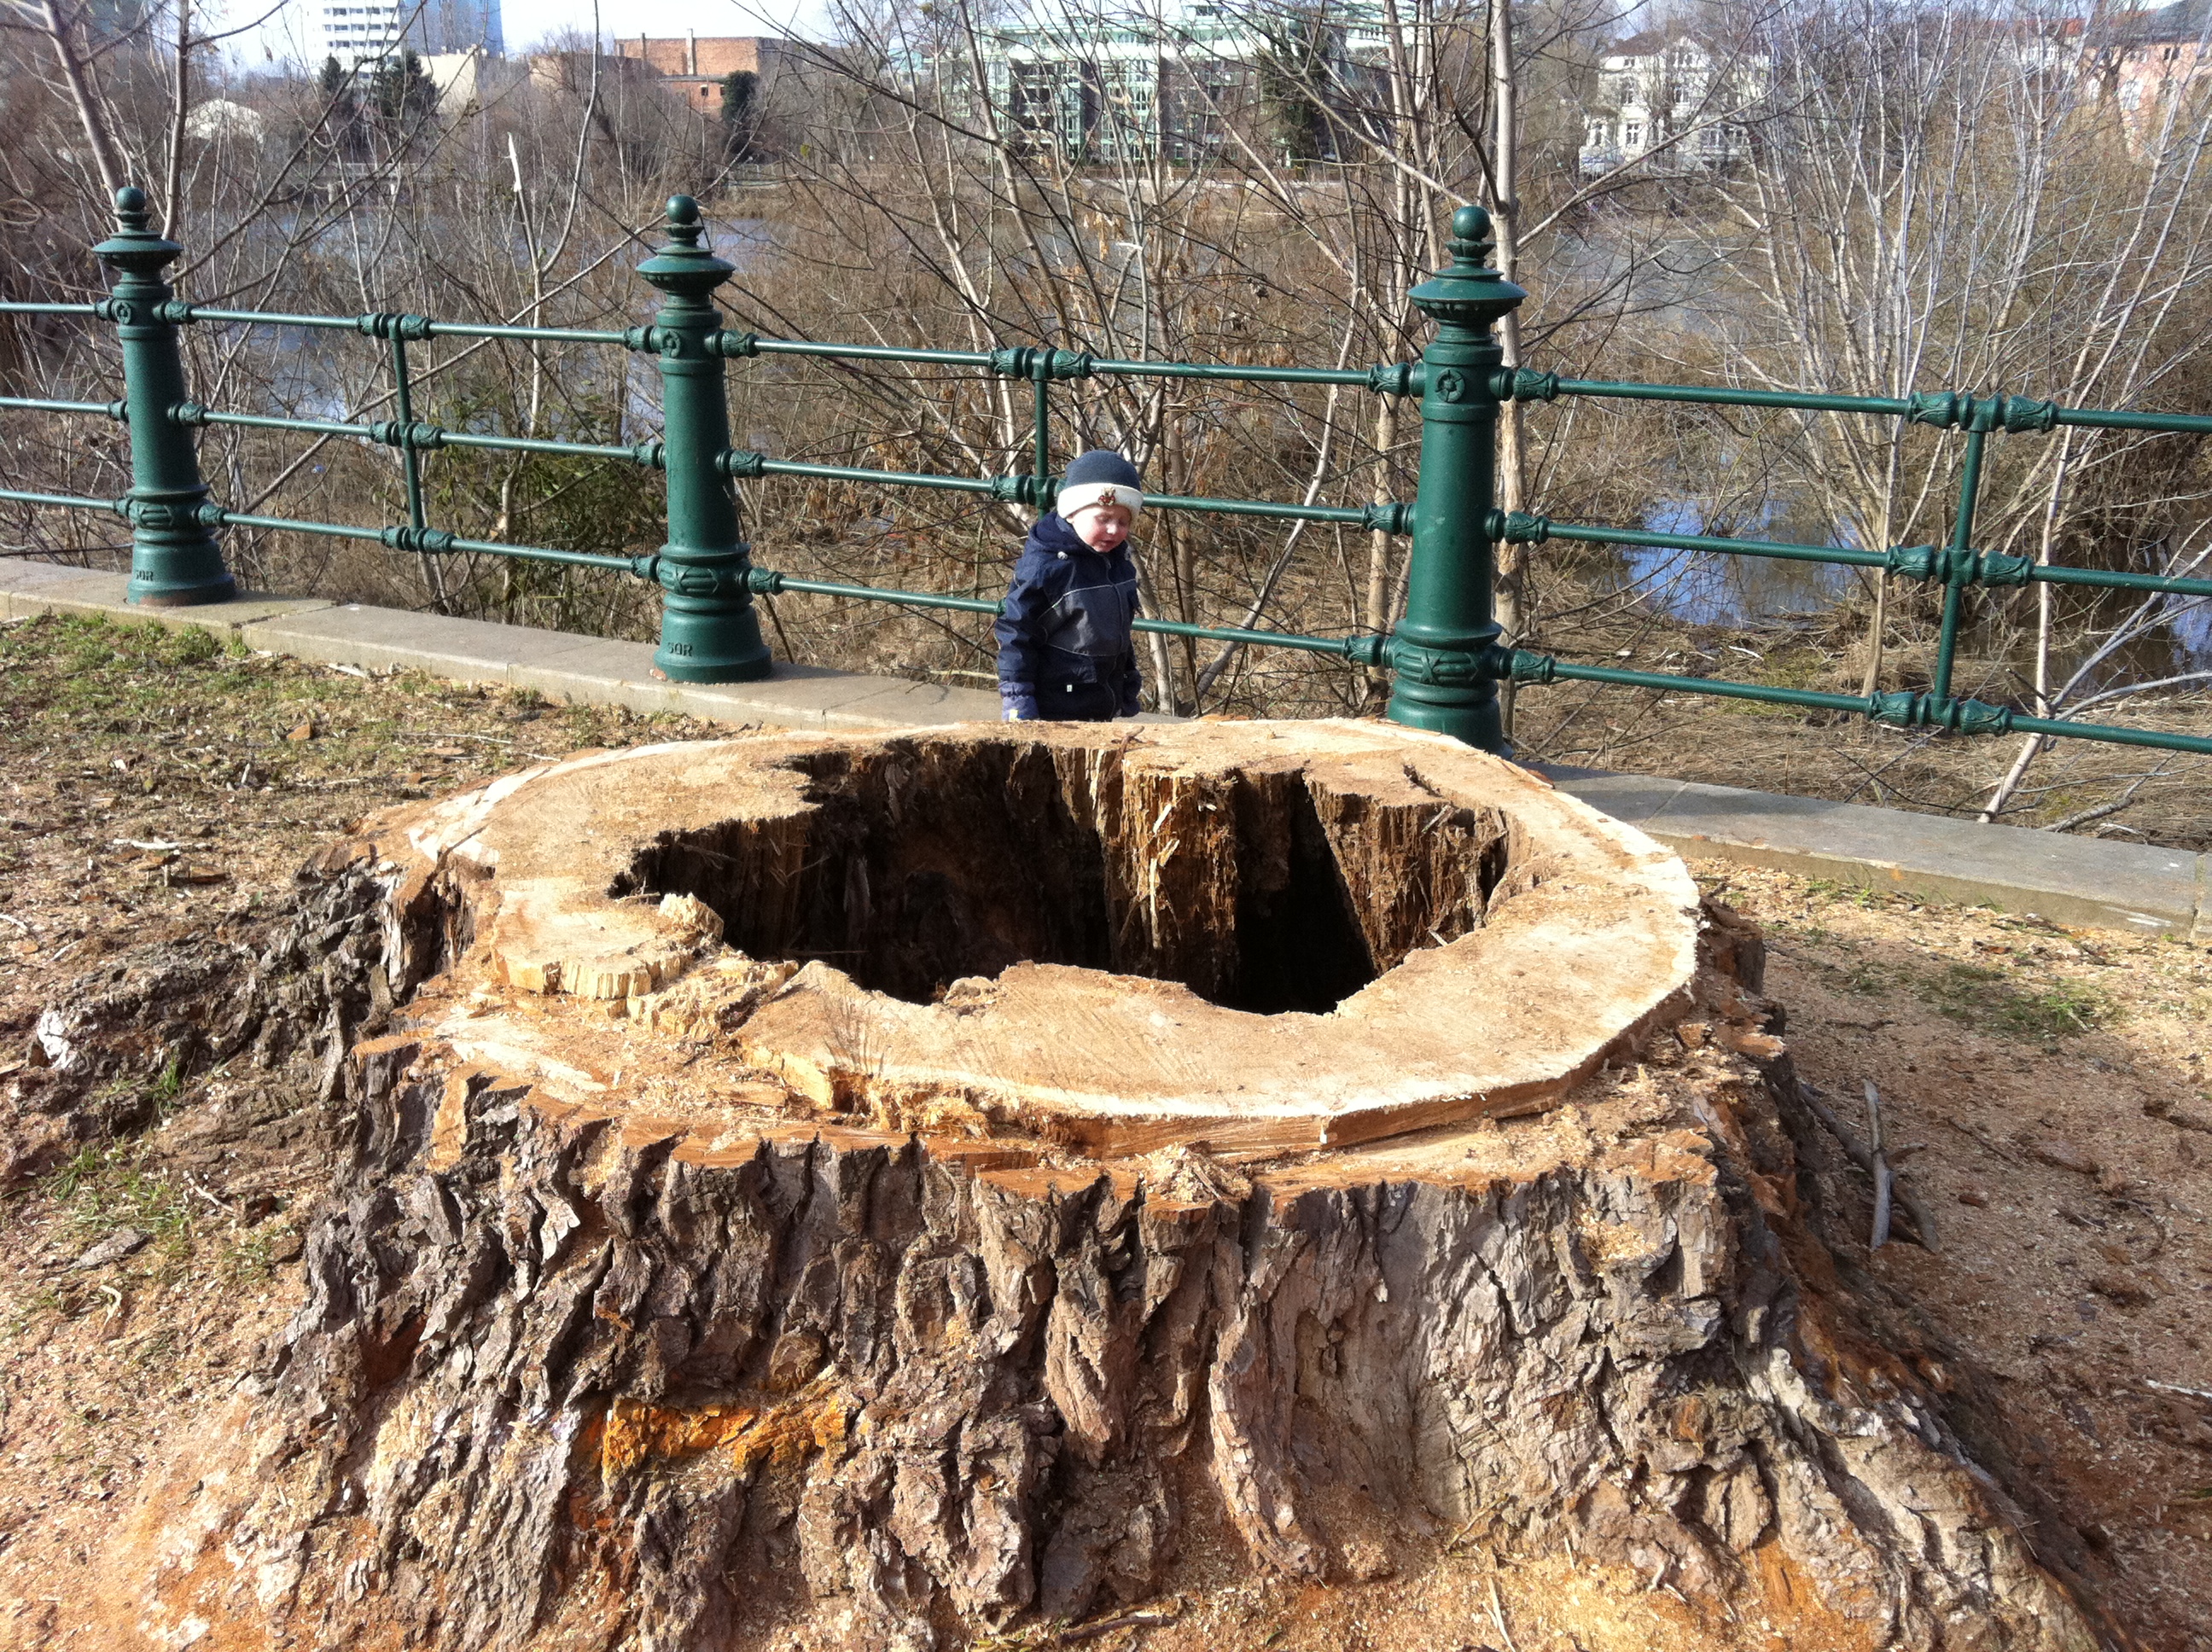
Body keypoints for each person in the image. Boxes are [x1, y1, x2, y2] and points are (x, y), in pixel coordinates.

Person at [995, 449, 1144, 723]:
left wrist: (1127, 677)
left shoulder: (1117, 562)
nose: (1114, 530)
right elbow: (1017, 631)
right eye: (1103, 519)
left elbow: (1115, 628)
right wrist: (1017, 694)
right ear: (1072, 513)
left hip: (1099, 695)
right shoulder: (1047, 567)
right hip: (1055, 701)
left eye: (1123, 521)